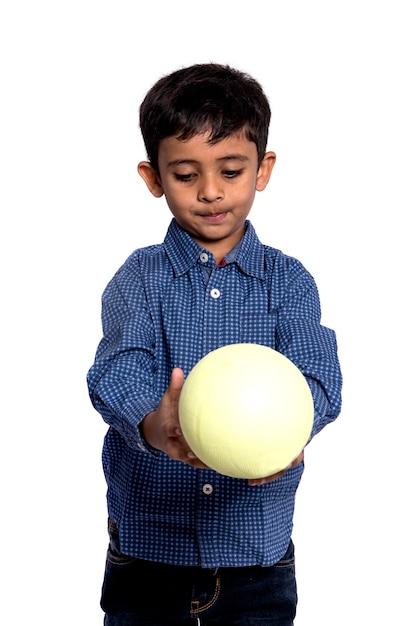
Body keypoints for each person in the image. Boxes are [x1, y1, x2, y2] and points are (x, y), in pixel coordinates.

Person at [87, 63, 343, 626]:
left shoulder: (289, 281)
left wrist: (294, 428)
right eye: (185, 175)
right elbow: (117, 371)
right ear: (153, 178)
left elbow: (320, 376)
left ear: (262, 169)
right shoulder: (140, 278)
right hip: (149, 555)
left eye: (231, 170)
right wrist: (154, 423)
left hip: (256, 558)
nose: (210, 191)